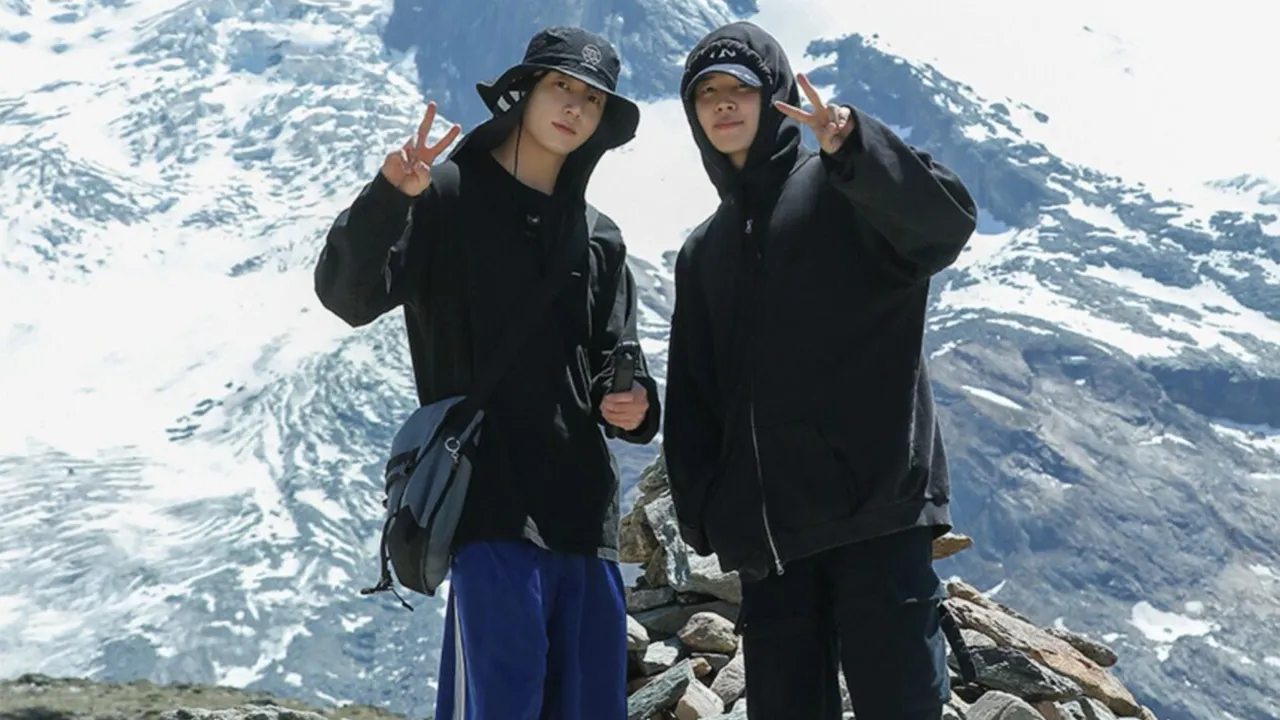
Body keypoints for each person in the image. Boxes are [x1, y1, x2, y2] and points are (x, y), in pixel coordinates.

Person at [313, 26, 661, 720]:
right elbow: (348, 297)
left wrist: (637, 402)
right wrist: (389, 197)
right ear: (523, 92)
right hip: (488, 506)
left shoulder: (598, 236)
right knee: (502, 704)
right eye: (561, 86)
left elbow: (616, 360)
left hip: (584, 514)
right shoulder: (445, 197)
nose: (575, 107)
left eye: (593, 99)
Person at [662, 20, 978, 720]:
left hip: (877, 521)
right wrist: (708, 513)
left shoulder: (846, 190)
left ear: (775, 94)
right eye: (706, 93)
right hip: (774, 546)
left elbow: (945, 224)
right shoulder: (704, 249)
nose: (722, 103)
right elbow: (694, 395)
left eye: (740, 87)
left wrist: (855, 148)